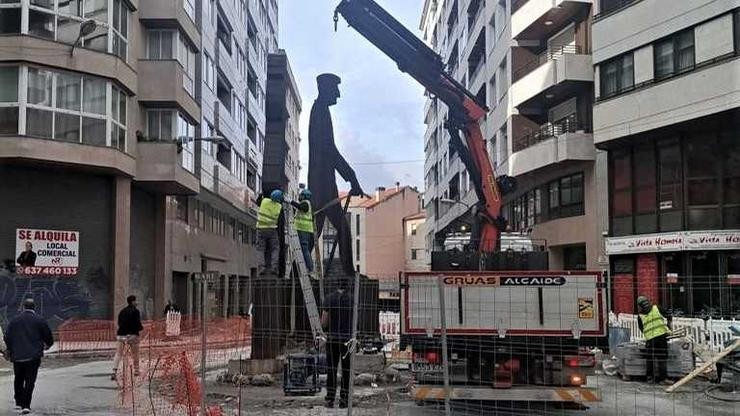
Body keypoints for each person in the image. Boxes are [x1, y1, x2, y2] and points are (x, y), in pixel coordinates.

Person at [308, 73, 365, 275]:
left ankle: (348, 273)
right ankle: (348, 273)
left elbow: (329, 151)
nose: (339, 94)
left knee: (320, 233)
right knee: (320, 233)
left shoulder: (320, 111)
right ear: (325, 88)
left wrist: (351, 178)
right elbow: (329, 150)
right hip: (321, 185)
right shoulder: (320, 112)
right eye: (336, 89)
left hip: (324, 183)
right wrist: (352, 177)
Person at [4, 298, 54, 414]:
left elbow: (7, 337)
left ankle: (18, 402)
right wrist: (48, 345)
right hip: (33, 356)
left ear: (23, 307)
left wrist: (10, 350)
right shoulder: (39, 320)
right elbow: (48, 336)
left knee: (18, 378)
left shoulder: (14, 321)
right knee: (30, 380)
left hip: (18, 356)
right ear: (34, 308)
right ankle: (26, 405)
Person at [321, 278, 354, 408]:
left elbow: (324, 321)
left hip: (333, 339)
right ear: (348, 285)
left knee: (332, 369)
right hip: (347, 339)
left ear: (337, 284)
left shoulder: (329, 298)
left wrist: (326, 329)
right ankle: (344, 400)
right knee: (346, 370)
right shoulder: (352, 300)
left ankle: (330, 399)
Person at [637, 295, 671, 384]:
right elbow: (668, 315)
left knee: (650, 359)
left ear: (639, 306)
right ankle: (663, 379)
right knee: (662, 358)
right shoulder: (657, 308)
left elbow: (641, 328)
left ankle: (650, 378)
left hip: (650, 339)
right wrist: (668, 327)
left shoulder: (640, 316)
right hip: (661, 337)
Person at [112, 295, 144, 381]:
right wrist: (141, 328)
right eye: (136, 301)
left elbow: (119, 323)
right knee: (135, 354)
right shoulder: (136, 311)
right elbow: (138, 323)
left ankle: (114, 371)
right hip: (133, 335)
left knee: (118, 353)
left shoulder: (122, 311)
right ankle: (136, 370)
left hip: (121, 335)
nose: (137, 302)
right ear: (133, 302)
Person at [257, 189, 284, 275]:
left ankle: (261, 268)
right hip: (272, 230)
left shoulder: (264, 201)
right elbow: (280, 221)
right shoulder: (279, 206)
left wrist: (260, 195)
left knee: (261, 249)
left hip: (261, 229)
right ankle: (274, 267)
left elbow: (258, 202)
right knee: (275, 248)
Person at [291, 188, 315, 273]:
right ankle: (307, 267)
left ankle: (310, 268)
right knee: (304, 250)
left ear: (305, 196)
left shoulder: (306, 203)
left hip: (303, 230)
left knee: (305, 250)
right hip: (305, 230)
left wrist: (291, 202)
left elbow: (302, 208)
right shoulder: (307, 204)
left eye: (301, 195)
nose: (300, 196)